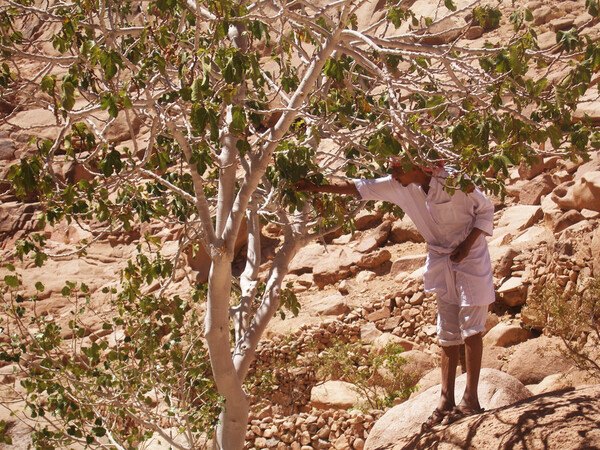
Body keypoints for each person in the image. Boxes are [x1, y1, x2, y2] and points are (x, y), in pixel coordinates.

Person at [295, 159, 495, 428]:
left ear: (418, 164)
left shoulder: (454, 179)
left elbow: (485, 210)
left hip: (470, 259)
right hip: (440, 258)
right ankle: (446, 401)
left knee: (471, 326)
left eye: (398, 167)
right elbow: (358, 187)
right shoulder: (400, 185)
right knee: (447, 330)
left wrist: (468, 246)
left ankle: (471, 400)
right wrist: (315, 187)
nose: (392, 173)